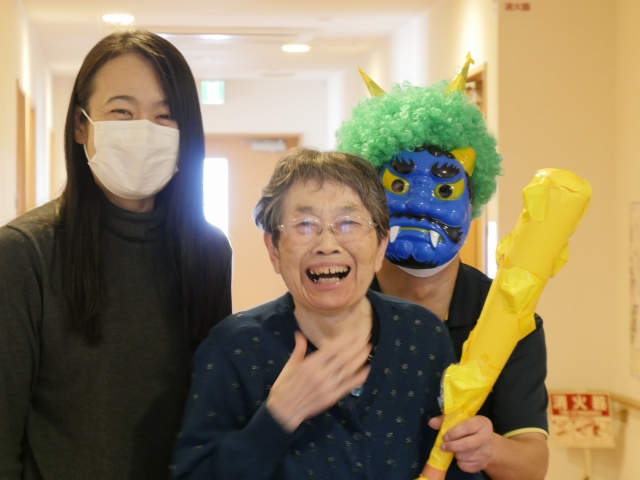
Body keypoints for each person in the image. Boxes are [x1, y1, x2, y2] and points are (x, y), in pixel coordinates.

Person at [0, 31, 232, 479]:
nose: (144, 130)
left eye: (165, 115)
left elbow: (211, 413)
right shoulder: (23, 255)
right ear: (80, 124)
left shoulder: (208, 253)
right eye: (122, 111)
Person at [170, 149, 456, 480]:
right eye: (305, 225)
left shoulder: (423, 335)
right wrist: (277, 418)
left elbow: (452, 463)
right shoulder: (233, 349)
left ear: (380, 246)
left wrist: (472, 449)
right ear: (274, 250)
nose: (327, 244)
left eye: (348, 223)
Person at [336, 56, 549, 480]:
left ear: (473, 202)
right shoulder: (334, 302)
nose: (419, 203)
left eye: (444, 187)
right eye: (398, 184)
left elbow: (533, 464)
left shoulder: (507, 316)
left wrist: (489, 448)